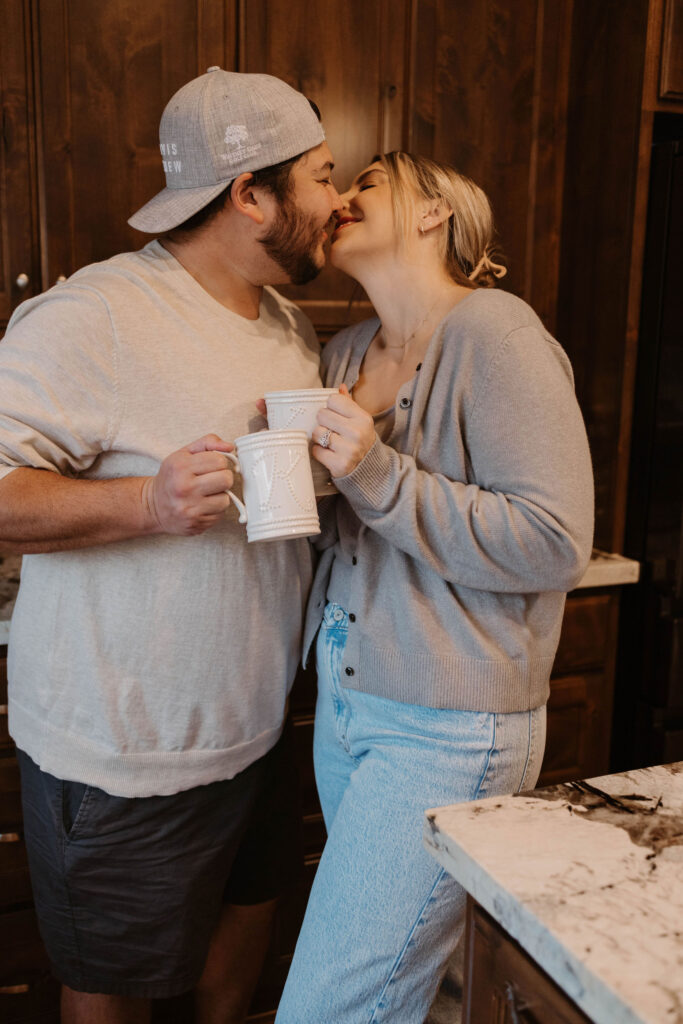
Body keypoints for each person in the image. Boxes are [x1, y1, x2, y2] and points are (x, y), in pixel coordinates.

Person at [0, 68, 341, 1024]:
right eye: (321, 172)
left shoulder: (287, 329)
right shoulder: (95, 316)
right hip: (125, 755)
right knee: (113, 990)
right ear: (250, 195)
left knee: (233, 978)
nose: (339, 196)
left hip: (259, 732)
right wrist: (145, 504)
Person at [275, 152, 594, 1023]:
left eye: (367, 183)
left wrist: (373, 472)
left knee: (329, 1008)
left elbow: (554, 541)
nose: (340, 199)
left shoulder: (496, 332)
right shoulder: (344, 350)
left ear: (432, 215)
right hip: (347, 707)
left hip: (447, 724)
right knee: (415, 993)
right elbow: (362, 533)